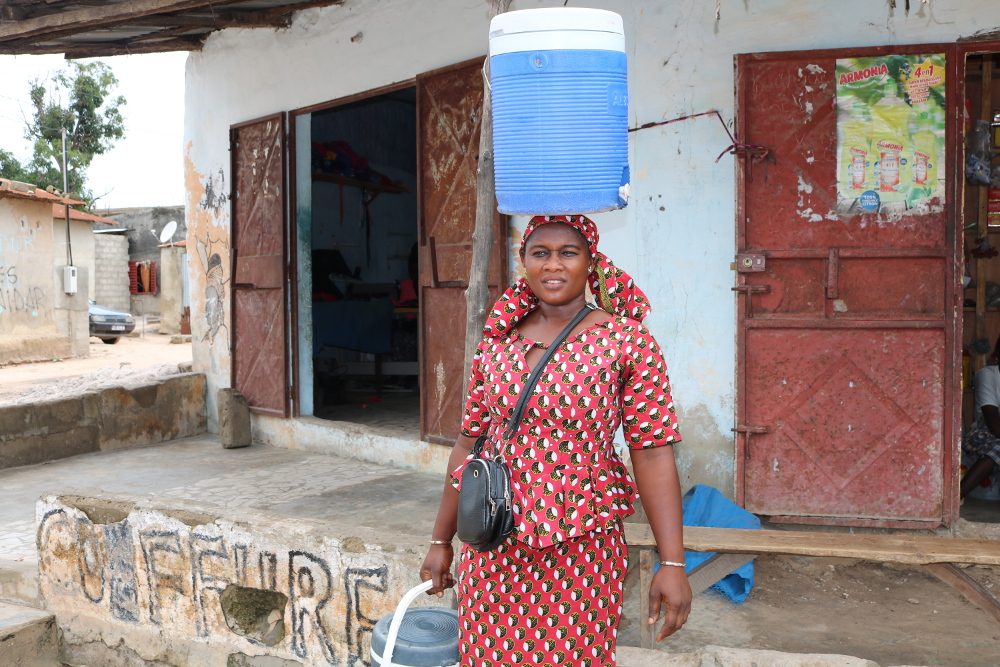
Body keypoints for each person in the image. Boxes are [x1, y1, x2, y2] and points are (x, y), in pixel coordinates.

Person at [420, 215, 692, 666]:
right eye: (540, 253)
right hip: (493, 541)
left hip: (581, 544)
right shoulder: (497, 344)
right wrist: (441, 541)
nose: (554, 265)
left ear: (591, 263)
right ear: (523, 262)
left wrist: (674, 563)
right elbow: (469, 447)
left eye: (569, 253)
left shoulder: (628, 342)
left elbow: (653, 452)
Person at [962, 337, 1000, 499]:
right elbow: (992, 419)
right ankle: (955, 497)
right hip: (984, 437)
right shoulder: (988, 374)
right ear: (997, 355)